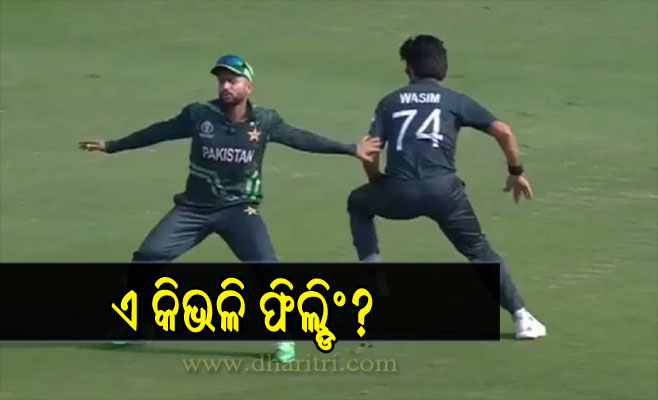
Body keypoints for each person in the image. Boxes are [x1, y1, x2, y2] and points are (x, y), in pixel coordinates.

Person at [79, 54, 381, 362]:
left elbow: (300, 138)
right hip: (194, 208)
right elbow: (160, 131)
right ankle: (138, 327)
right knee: (147, 257)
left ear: (248, 86)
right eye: (222, 80)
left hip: (239, 210)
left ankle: (284, 336)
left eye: (233, 81)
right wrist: (113, 145)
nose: (225, 86)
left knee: (267, 268)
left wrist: (350, 149)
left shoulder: (264, 121)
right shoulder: (200, 114)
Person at [347, 35, 547, 339]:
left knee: (358, 203)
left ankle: (374, 274)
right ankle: (522, 318)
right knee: (479, 251)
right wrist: (516, 172)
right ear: (443, 67)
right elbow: (504, 132)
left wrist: (377, 182)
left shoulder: (390, 102)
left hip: (399, 192)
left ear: (409, 68)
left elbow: (370, 150)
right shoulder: (454, 100)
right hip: (445, 194)